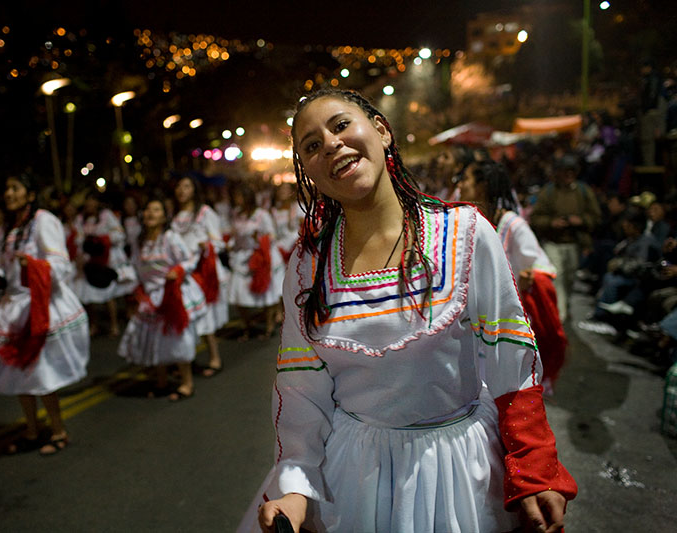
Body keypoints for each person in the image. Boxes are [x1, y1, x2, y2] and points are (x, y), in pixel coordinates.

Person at [245, 89, 576, 533]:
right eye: (311, 145)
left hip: (461, 468)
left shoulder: (465, 233)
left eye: (341, 125)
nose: (330, 144)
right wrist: (296, 485)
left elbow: (511, 363)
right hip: (353, 476)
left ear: (381, 131)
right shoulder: (308, 266)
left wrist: (534, 468)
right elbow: (302, 387)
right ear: (308, 171)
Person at [0, 172, 90, 455]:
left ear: (29, 193)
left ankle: (58, 430)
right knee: (20, 373)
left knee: (41, 373)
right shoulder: (13, 228)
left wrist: (34, 265)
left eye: (15, 188)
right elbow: (6, 268)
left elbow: (61, 264)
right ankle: (31, 429)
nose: (9, 193)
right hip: (15, 307)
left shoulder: (43, 220)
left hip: (40, 305)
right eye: (7, 188)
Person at [458, 159, 567, 395]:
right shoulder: (472, 219)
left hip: (506, 320)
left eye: (466, 179)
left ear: (482, 187)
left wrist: (527, 275)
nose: (460, 185)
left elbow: (540, 264)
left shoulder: (513, 224)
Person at [117, 196, 207, 401]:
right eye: (148, 210)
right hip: (150, 297)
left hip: (172, 294)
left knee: (176, 338)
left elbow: (189, 259)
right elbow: (135, 267)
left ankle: (186, 383)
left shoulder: (170, 238)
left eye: (156, 210)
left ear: (163, 216)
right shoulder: (139, 241)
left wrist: (177, 271)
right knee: (155, 338)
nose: (150, 214)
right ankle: (161, 381)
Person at [530, 153, 601, 322]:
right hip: (554, 242)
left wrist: (580, 221)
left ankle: (564, 307)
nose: (569, 175)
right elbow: (536, 218)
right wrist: (551, 223)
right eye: (565, 171)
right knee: (557, 277)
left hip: (574, 243)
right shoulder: (549, 192)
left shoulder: (583, 192)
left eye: (572, 171)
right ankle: (559, 314)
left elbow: (596, 217)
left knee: (569, 278)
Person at [171, 176, 230, 377]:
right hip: (184, 272)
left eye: (186, 186)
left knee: (206, 316)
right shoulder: (174, 215)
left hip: (203, 273)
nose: (181, 190)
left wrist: (206, 246)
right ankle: (188, 360)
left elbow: (219, 242)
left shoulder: (205, 213)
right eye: (179, 186)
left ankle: (215, 357)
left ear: (194, 190)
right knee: (189, 316)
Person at [227, 181, 285, 341]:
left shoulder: (261, 214)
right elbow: (235, 236)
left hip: (259, 258)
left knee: (266, 294)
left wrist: (259, 240)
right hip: (242, 258)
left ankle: (269, 326)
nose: (237, 199)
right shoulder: (237, 214)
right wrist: (231, 245)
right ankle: (247, 326)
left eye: (240, 196)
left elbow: (272, 235)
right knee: (239, 295)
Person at [74, 192, 137, 336]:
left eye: (92, 201)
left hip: (107, 259)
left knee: (109, 294)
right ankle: (94, 325)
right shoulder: (81, 219)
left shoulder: (106, 216)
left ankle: (114, 325)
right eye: (87, 201)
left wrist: (102, 240)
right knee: (89, 295)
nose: (90, 204)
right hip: (89, 261)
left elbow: (119, 235)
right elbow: (78, 240)